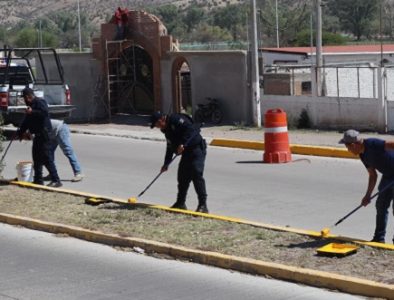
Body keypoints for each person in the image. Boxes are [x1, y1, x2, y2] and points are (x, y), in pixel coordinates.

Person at [339, 129, 394, 244]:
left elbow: (391, 144)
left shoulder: (373, 144)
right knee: (381, 206)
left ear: (353, 145)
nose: (348, 150)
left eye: (348, 148)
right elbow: (373, 175)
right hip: (388, 176)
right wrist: (367, 195)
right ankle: (379, 239)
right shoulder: (362, 155)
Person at [150, 111, 208, 213]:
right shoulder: (167, 130)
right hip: (186, 153)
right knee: (182, 177)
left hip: (196, 149)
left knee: (196, 174)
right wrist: (166, 164)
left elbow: (190, 129)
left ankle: (203, 205)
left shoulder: (176, 119)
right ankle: (180, 203)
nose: (158, 127)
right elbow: (169, 147)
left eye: (158, 124)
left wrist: (183, 143)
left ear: (162, 119)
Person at [17, 88, 62, 188]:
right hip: (37, 136)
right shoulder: (30, 107)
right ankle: (38, 180)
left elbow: (44, 113)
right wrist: (20, 132)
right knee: (36, 158)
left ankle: (56, 180)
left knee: (46, 158)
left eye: (24, 98)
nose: (24, 100)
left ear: (28, 97)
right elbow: (26, 122)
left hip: (44, 135)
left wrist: (32, 112)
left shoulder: (40, 102)